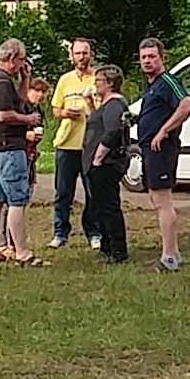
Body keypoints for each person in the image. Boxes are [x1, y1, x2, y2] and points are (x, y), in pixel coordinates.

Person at [0, 38, 42, 266]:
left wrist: (25, 79)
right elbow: (3, 114)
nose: (23, 63)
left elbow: (19, 101)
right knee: (17, 200)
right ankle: (22, 252)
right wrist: (28, 119)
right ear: (12, 58)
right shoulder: (2, 80)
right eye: (22, 59)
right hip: (8, 148)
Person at [136, 37, 190, 270]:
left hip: (162, 148)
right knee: (156, 198)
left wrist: (164, 130)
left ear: (162, 58)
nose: (147, 61)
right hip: (149, 149)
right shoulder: (152, 86)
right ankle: (173, 253)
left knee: (163, 200)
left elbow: (187, 105)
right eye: (144, 57)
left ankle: (169, 257)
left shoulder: (168, 81)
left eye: (152, 56)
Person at [47, 38, 104, 251]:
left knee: (93, 193)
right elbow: (55, 109)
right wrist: (64, 112)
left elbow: (106, 109)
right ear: (71, 56)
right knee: (63, 193)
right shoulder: (65, 80)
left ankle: (94, 232)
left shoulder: (99, 79)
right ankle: (60, 233)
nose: (81, 57)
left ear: (91, 54)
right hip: (66, 144)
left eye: (85, 52)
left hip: (91, 146)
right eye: (78, 53)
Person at [80, 62, 132, 262]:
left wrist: (98, 157)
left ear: (110, 83)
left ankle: (118, 250)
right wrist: (89, 103)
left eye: (99, 80)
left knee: (109, 207)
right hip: (100, 163)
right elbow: (97, 123)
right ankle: (107, 247)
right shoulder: (107, 105)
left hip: (106, 163)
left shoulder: (114, 105)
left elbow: (112, 131)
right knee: (100, 205)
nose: (95, 83)